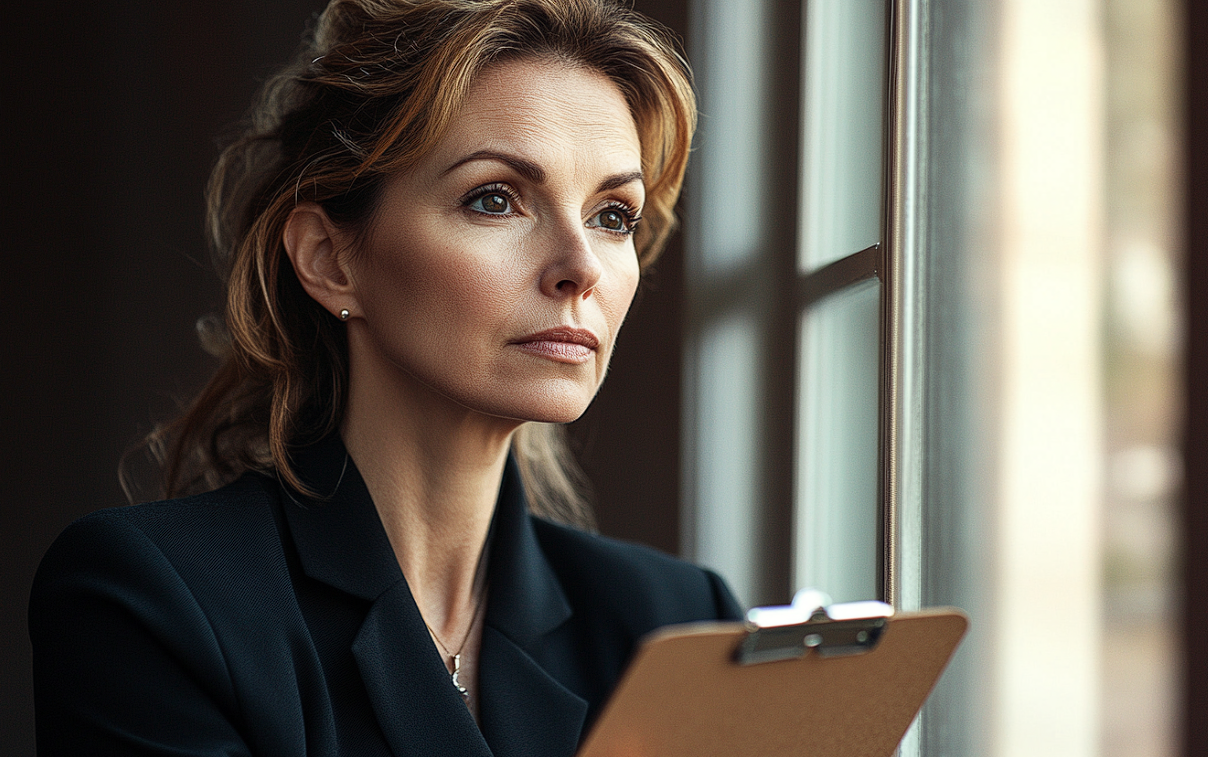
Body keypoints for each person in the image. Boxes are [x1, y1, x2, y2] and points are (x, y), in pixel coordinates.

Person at [29, 0, 742, 755]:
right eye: (494, 198)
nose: (581, 267)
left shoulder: (674, 623)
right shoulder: (148, 602)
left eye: (613, 214)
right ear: (330, 259)